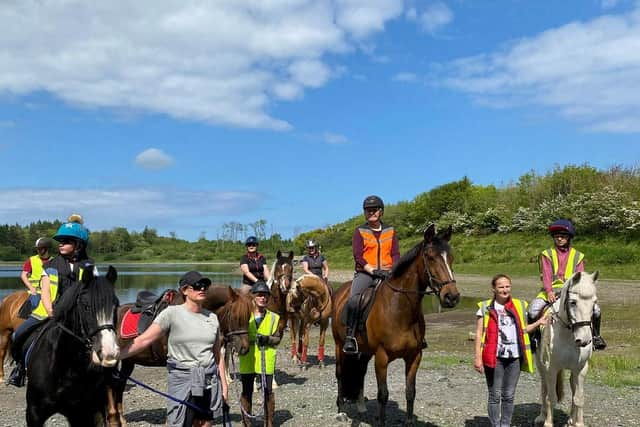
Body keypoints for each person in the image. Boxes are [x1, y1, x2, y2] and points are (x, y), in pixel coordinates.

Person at [119, 271, 228, 427]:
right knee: (178, 422)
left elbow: (217, 355)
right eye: (197, 286)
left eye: (205, 285)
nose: (202, 289)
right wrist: (117, 355)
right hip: (182, 380)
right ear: (184, 290)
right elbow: (144, 339)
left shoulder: (212, 318)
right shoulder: (171, 314)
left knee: (205, 424)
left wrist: (224, 386)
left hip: (208, 381)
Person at [8, 214, 95, 387]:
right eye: (60, 241)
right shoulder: (51, 266)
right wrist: (50, 311)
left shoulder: (89, 265)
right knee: (18, 335)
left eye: (66, 241)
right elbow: (46, 291)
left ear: (78, 244)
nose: (61, 244)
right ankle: (20, 369)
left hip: (78, 314)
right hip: (47, 312)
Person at [475, 274, 547, 427]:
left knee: (508, 395)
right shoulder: (485, 307)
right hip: (494, 357)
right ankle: (496, 425)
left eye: (507, 286)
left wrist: (539, 322)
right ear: (494, 289)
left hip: (515, 357)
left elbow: (524, 329)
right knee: (495, 395)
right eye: (501, 287)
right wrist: (477, 358)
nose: (505, 289)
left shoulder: (520, 305)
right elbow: (479, 333)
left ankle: (505, 424)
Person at [528, 219, 606, 350]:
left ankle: (596, 336)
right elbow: (546, 275)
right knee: (532, 310)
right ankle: (534, 339)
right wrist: (549, 292)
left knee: (596, 310)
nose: (559, 238)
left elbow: (580, 278)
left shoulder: (578, 256)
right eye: (556, 236)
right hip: (551, 291)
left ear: (569, 237)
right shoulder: (546, 254)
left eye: (563, 236)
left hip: (572, 292)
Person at [343, 195, 400, 354]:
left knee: (409, 295)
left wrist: (392, 269)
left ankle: (416, 333)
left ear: (381, 211)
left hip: (389, 272)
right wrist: (373, 270)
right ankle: (350, 336)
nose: (371, 213)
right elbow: (358, 256)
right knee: (354, 299)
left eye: (374, 210)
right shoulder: (360, 231)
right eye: (368, 210)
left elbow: (395, 253)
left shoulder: (391, 230)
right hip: (366, 273)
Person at [238, 281, 281, 427]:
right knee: (247, 391)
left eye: (266, 296)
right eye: (260, 295)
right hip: (248, 357)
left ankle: (268, 422)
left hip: (266, 358)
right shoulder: (244, 315)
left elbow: (277, 339)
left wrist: (267, 339)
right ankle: (246, 422)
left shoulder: (274, 317)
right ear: (253, 297)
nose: (263, 298)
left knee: (267, 391)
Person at [19, 237, 54, 311]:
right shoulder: (31, 260)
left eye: (40, 248)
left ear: (46, 249)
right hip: (35, 291)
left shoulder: (54, 261)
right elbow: (23, 275)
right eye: (37, 249)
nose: (38, 250)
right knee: (35, 304)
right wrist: (31, 288)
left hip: (50, 292)